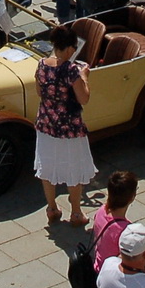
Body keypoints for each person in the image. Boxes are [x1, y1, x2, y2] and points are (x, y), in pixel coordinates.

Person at [30, 26, 95, 226]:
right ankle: (76, 213)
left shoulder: (42, 64)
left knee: (47, 167)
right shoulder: (71, 70)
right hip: (69, 127)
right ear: (69, 49)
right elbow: (83, 98)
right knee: (74, 168)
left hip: (46, 124)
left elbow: (40, 92)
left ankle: (51, 208)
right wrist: (84, 77)